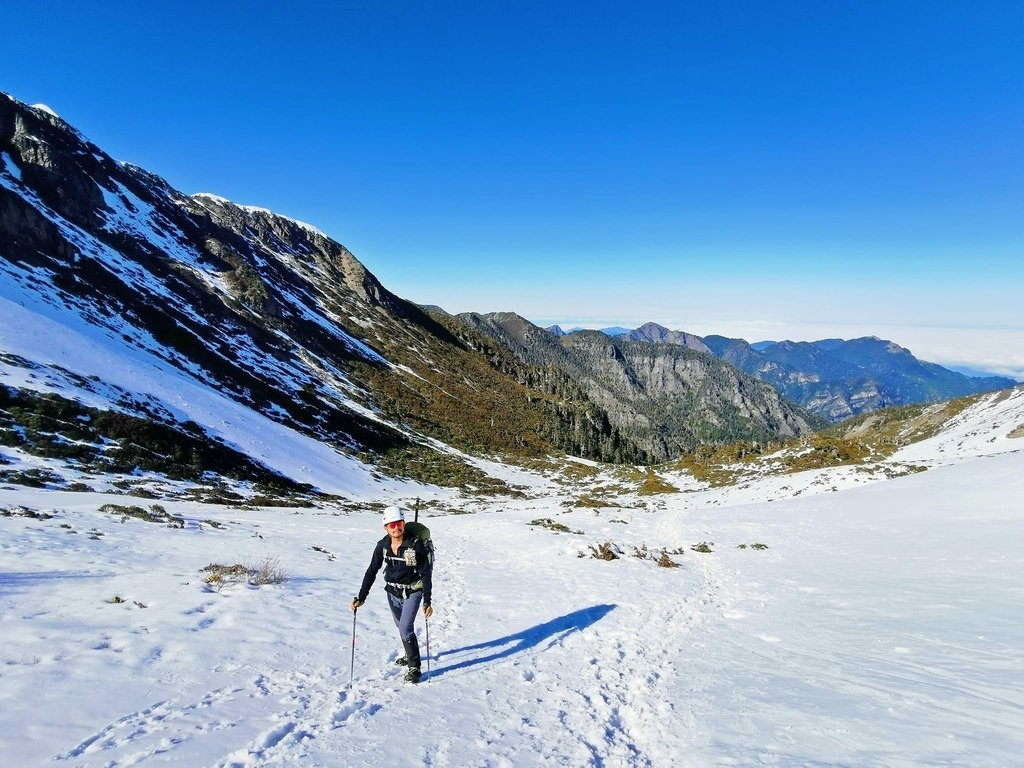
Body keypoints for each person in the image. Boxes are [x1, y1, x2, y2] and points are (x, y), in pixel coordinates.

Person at [351, 505, 433, 683]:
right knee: (400, 626)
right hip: (393, 592)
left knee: (405, 628)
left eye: (399, 523)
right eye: (392, 525)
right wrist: (361, 597)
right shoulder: (382, 546)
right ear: (386, 528)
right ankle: (408, 652)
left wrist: (427, 601)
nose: (396, 528)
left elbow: (426, 573)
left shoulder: (415, 546)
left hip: (413, 590)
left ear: (403, 524)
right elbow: (371, 571)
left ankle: (414, 667)